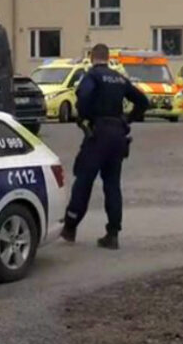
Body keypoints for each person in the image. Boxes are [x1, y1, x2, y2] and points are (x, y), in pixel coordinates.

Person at [60, 43, 148, 250]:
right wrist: (127, 119)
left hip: (98, 133)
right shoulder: (119, 78)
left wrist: (85, 117)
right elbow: (143, 101)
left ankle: (70, 226)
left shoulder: (92, 76)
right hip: (118, 135)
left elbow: (84, 97)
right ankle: (113, 233)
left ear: (92, 57)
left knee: (84, 180)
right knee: (112, 184)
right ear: (108, 58)